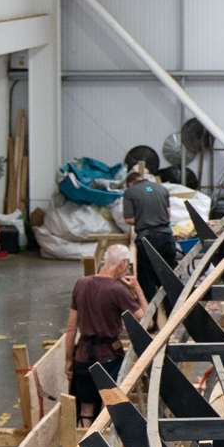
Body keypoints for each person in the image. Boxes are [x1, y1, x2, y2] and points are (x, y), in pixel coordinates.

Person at [64, 243, 145, 420]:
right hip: (108, 358)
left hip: (82, 357)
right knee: (107, 407)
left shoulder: (81, 284)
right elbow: (146, 319)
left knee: (86, 409)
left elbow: (71, 329)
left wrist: (69, 360)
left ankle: (84, 441)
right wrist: (136, 288)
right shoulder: (118, 290)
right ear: (122, 264)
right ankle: (103, 443)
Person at [122, 165, 177, 301]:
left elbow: (128, 219)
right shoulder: (162, 189)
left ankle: (152, 317)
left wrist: (143, 218)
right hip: (166, 237)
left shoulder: (130, 192)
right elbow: (168, 214)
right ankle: (173, 313)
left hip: (147, 240)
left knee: (147, 279)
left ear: (130, 183)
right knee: (168, 277)